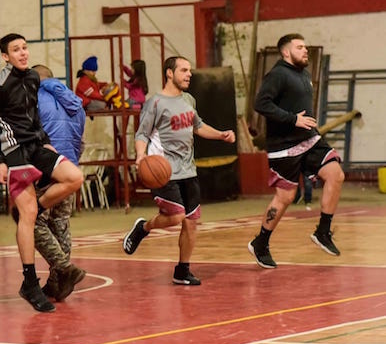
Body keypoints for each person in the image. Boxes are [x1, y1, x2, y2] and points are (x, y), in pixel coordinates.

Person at [0, 34, 84, 312]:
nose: (23, 53)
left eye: (25, 48)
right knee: (29, 215)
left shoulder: (34, 79)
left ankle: (40, 205)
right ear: (5, 56)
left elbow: (33, 114)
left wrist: (45, 138)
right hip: (13, 153)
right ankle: (29, 281)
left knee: (75, 178)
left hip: (37, 146)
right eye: (16, 50)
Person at [122, 56, 236, 285]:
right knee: (176, 216)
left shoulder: (188, 100)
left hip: (188, 170)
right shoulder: (154, 102)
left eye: (190, 71)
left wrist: (221, 134)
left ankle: (182, 270)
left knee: (191, 222)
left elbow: (198, 127)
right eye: (184, 70)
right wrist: (141, 156)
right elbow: (142, 133)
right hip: (163, 170)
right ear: (169, 73)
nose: (189, 74)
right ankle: (143, 228)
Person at [248, 33, 344, 269]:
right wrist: (292, 120)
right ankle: (261, 243)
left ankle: (322, 232)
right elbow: (261, 104)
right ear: (285, 52)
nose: (305, 50)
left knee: (336, 174)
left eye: (305, 47)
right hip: (285, 146)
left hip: (309, 139)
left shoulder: (303, 73)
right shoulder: (278, 74)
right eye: (299, 47)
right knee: (286, 197)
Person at [31, 64, 86, 302]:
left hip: (46, 167)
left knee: (30, 220)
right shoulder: (75, 103)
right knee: (60, 222)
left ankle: (64, 268)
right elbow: (80, 142)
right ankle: (57, 282)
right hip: (71, 167)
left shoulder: (34, 98)